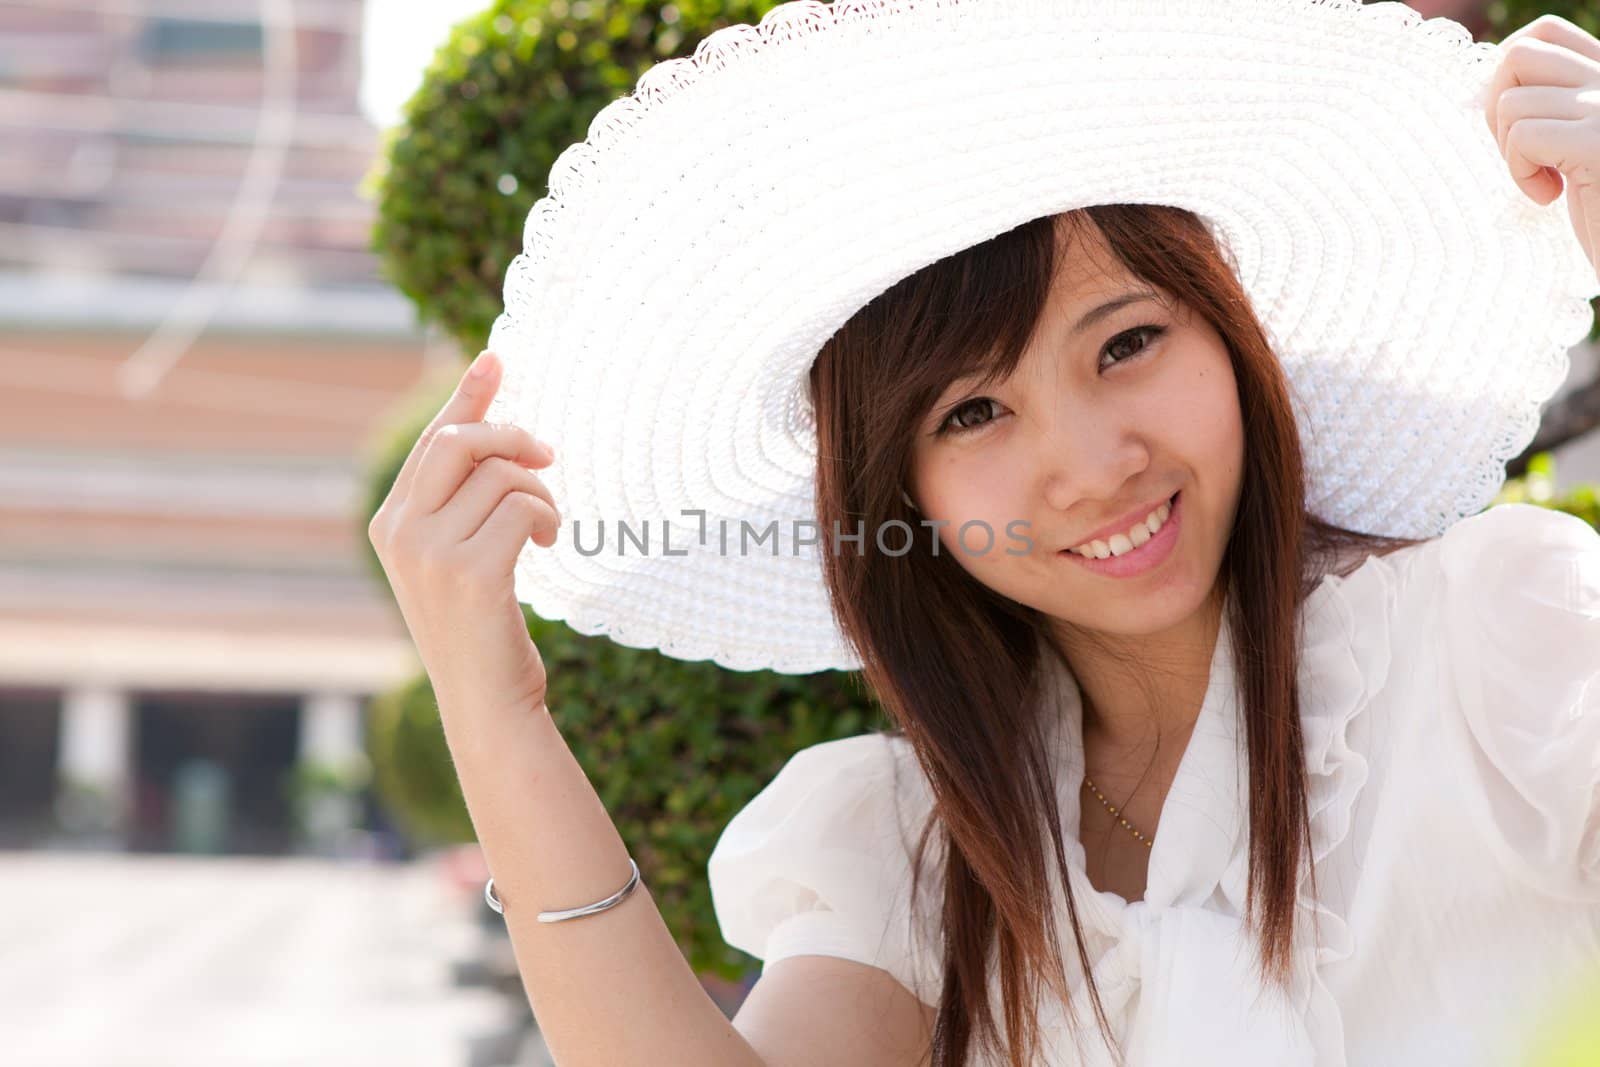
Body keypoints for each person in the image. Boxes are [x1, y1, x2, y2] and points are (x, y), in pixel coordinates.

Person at [367, 2, 1600, 1065]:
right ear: (894, 493)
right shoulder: (923, 851)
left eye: (1128, 341)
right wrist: (491, 699)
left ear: (1233, 339)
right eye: (973, 411)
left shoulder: (1495, 639)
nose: (1088, 467)